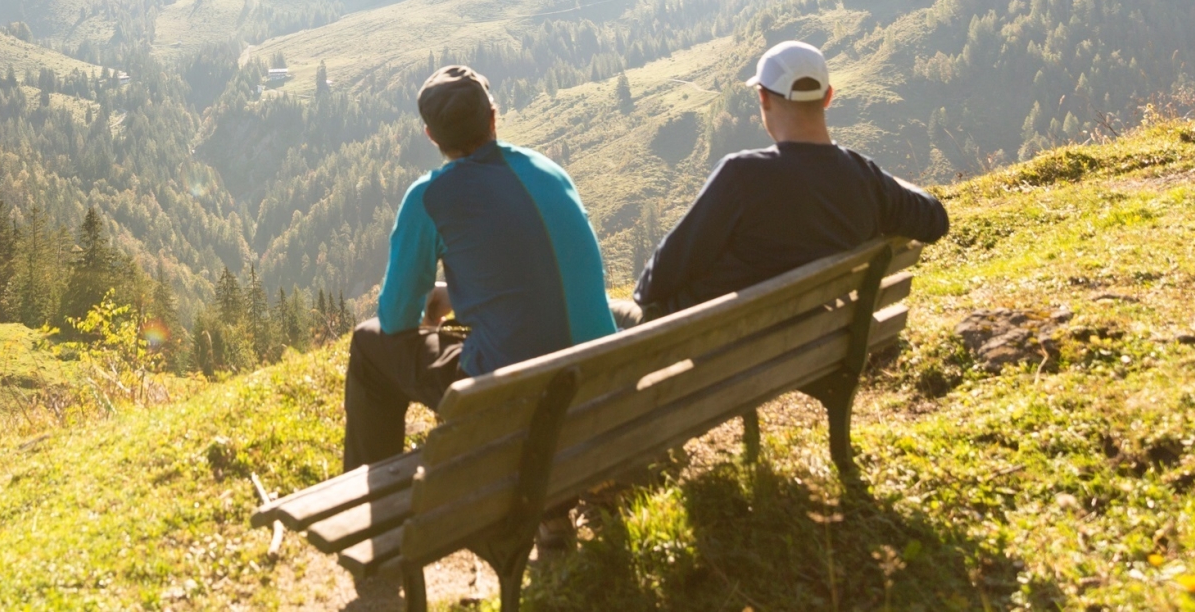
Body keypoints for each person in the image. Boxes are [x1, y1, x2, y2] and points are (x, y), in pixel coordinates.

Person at [345, 64, 616, 472]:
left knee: (369, 344)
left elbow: (396, 318)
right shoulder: (547, 169)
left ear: (431, 135)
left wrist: (432, 299)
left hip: (516, 401)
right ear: (493, 117)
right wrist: (456, 294)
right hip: (601, 385)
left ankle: (372, 500)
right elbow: (541, 270)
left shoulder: (429, 196)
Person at [631, 40, 949, 320]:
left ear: (763, 98)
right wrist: (873, 175)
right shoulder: (864, 178)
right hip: (806, 345)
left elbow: (650, 287)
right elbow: (935, 219)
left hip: (708, 348)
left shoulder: (742, 176)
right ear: (828, 97)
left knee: (609, 312)